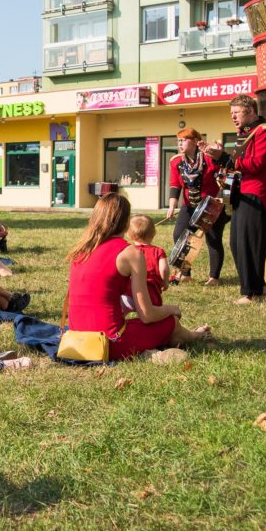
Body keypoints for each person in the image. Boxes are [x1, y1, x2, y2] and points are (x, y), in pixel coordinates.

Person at [67, 194, 211, 360]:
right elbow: (147, 314)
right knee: (170, 322)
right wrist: (172, 309)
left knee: (137, 324)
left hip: (77, 340)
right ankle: (195, 336)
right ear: (126, 222)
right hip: (109, 343)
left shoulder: (80, 251)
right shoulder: (130, 253)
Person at [202, 95, 266, 304]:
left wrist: (225, 157)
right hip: (241, 194)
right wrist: (216, 156)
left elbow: (256, 164)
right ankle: (259, 286)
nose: (232, 117)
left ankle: (251, 292)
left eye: (236, 112)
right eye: (231, 113)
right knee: (237, 243)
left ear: (250, 110)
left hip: (255, 193)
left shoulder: (265, 131)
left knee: (249, 245)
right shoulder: (245, 133)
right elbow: (235, 165)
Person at [166, 128, 226, 285]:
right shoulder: (176, 161)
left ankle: (214, 277)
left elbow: (225, 177)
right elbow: (174, 185)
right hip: (189, 204)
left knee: (213, 239)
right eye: (178, 140)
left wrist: (220, 200)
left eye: (184, 140)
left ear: (195, 141)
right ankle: (185, 273)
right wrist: (172, 206)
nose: (180, 143)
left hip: (211, 206)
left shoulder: (209, 158)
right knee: (180, 235)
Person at [125, 215, 168, 309]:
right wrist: (165, 283)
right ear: (154, 233)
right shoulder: (158, 251)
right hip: (151, 293)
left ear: (129, 235)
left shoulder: (128, 250)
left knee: (121, 312)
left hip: (130, 291)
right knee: (155, 318)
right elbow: (164, 269)